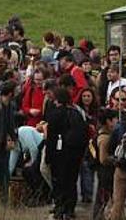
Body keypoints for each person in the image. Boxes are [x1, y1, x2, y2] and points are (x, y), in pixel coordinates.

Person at [46, 87, 88, 220]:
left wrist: (48, 157)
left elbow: (51, 138)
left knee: (59, 182)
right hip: (74, 155)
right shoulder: (76, 114)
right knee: (71, 181)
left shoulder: (54, 115)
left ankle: (59, 207)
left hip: (59, 155)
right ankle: (70, 209)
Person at [93, 108, 117, 220]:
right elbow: (103, 159)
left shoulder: (104, 134)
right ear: (108, 121)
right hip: (106, 172)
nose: (117, 121)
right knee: (104, 197)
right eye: (115, 119)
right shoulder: (104, 138)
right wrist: (116, 159)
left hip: (104, 172)